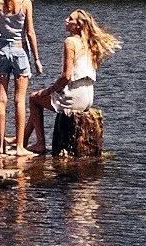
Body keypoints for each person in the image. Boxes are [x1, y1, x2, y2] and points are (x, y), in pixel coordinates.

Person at [25, 9, 121, 155]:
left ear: (78, 25)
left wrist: (49, 90)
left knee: (34, 99)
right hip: (88, 97)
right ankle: (22, 139)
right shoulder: (89, 43)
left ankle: (39, 143)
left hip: (74, 98)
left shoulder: (70, 42)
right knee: (39, 98)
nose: (66, 20)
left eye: (70, 19)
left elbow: (66, 76)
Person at [0, 0, 42, 156]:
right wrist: (36, 58)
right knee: (19, 99)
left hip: (2, 50)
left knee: (1, 99)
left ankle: (1, 145)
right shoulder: (26, 4)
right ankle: (20, 146)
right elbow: (30, 33)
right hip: (20, 51)